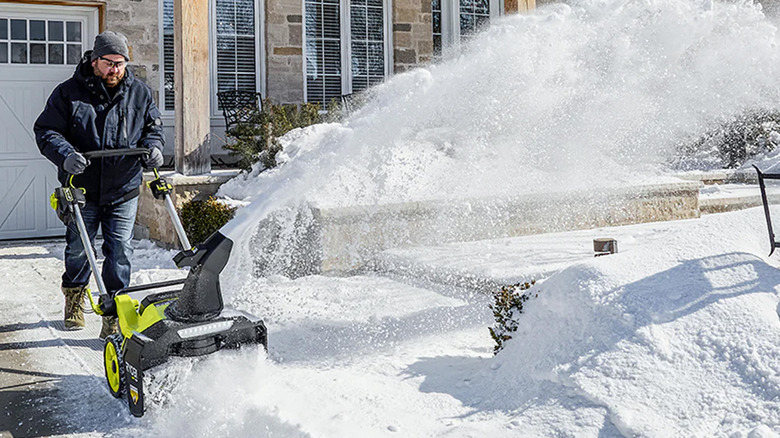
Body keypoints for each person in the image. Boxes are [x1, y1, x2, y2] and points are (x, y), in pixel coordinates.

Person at [34, 31, 165, 338]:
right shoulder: (68, 93)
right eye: (109, 63)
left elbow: (153, 128)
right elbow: (47, 131)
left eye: (120, 63)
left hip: (124, 187)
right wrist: (66, 155)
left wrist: (154, 148)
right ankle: (75, 296)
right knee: (79, 249)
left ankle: (114, 313)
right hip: (82, 189)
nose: (115, 70)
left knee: (120, 251)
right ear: (94, 61)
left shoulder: (140, 93)